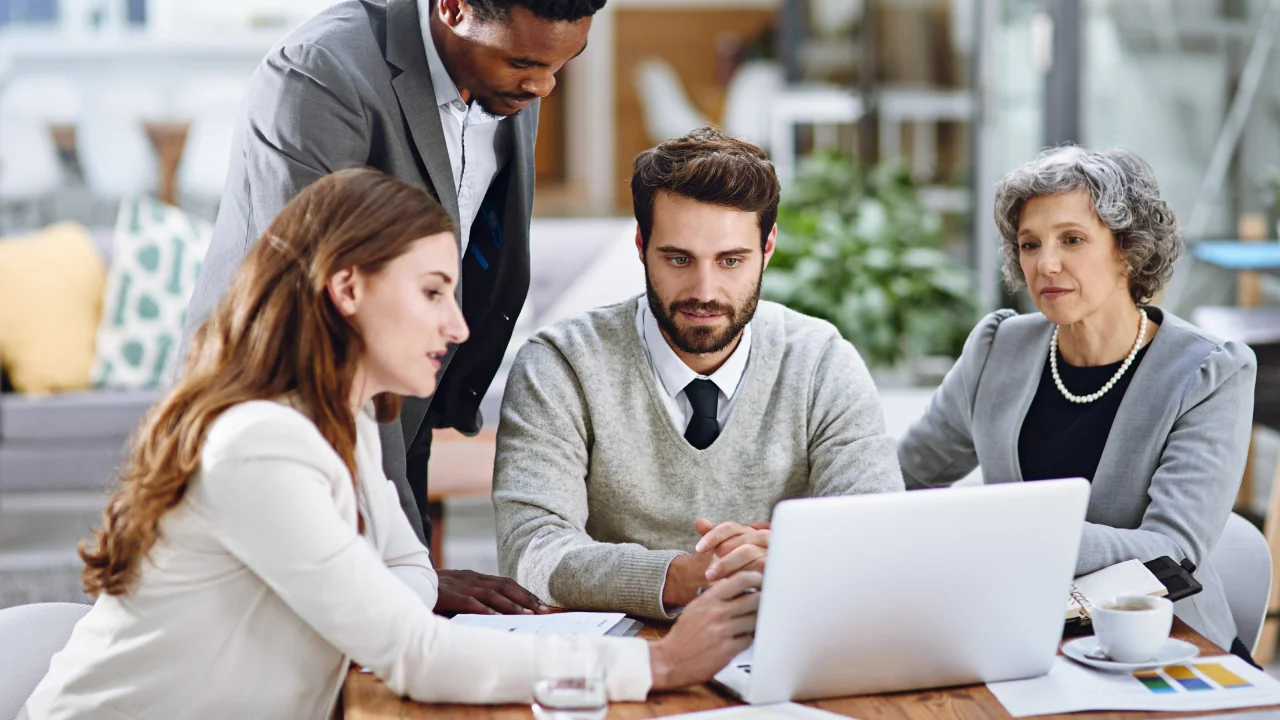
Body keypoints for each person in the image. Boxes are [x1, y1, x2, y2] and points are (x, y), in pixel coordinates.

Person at [21, 169, 761, 720]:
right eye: (433, 291)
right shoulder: (261, 445)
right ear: (349, 289)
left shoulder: (344, 421)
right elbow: (413, 652)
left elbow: (405, 574)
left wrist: (386, 599)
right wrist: (654, 663)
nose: (459, 326)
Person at [182, 0, 601, 614]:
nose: (544, 86)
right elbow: (324, 323)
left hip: (400, 403)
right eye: (523, 62)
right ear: (453, 8)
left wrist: (413, 570)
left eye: (565, 63)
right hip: (282, 410)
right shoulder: (319, 75)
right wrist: (409, 572)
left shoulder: (511, 80)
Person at [491, 128, 904, 621]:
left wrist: (782, 555)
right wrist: (682, 575)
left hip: (778, 646)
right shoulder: (561, 363)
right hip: (620, 659)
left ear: (768, 247)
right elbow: (532, 552)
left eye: (731, 261)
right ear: (641, 244)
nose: (704, 291)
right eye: (679, 259)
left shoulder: (821, 363)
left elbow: (876, 536)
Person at [896, 146, 1257, 654]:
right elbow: (900, 476)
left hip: (1163, 643)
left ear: (1128, 250)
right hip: (1023, 634)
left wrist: (1013, 531)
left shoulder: (1209, 372)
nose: (1045, 263)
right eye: (1029, 244)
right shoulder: (998, 348)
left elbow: (1170, 553)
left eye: (1072, 239)